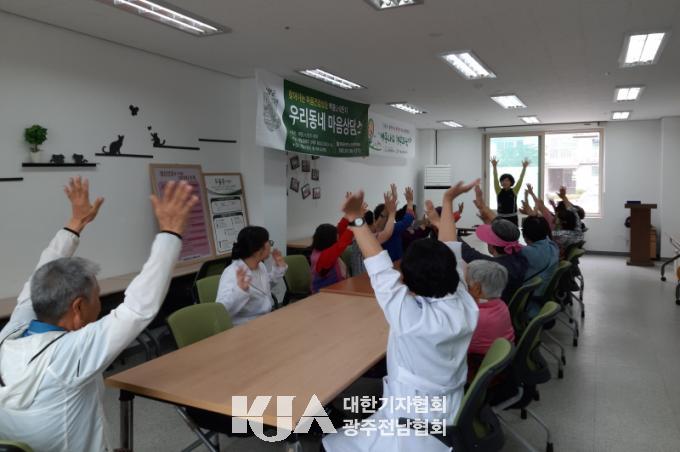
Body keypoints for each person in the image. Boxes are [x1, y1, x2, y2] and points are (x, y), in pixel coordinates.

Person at [0, 176, 198, 452]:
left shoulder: (11, 334)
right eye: (97, 296)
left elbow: (42, 271)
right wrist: (170, 234)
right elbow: (137, 308)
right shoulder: (67, 357)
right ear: (78, 307)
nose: (101, 303)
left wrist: (76, 223)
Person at [322, 181, 479, 452]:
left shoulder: (411, 320)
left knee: (330, 445)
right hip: (449, 410)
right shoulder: (463, 301)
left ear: (409, 283)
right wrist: (448, 201)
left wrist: (356, 219)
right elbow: (450, 248)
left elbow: (379, 268)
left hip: (411, 427)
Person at [460, 184, 528, 304]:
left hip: (501, 308)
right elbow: (502, 224)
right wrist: (483, 206)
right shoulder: (520, 255)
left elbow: (466, 251)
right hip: (509, 306)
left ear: (491, 246)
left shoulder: (496, 267)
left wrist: (440, 223)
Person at [216, 226, 287, 324]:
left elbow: (265, 287)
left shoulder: (260, 265)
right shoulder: (232, 273)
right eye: (269, 242)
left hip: (265, 319)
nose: (271, 245)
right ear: (258, 249)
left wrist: (278, 269)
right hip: (244, 325)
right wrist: (240, 292)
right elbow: (222, 310)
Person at [465, 260, 515, 381]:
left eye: (466, 284)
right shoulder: (501, 305)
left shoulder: (476, 317)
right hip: (498, 363)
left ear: (477, 289)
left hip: (477, 368)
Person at [349, 191, 397, 277]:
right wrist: (392, 213)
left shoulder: (358, 235)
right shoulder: (363, 239)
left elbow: (380, 229)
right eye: (375, 220)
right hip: (363, 279)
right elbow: (386, 234)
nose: (377, 223)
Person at [373, 184, 415, 261]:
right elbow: (408, 219)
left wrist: (408, 202)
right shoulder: (393, 229)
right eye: (382, 216)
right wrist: (410, 202)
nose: (388, 218)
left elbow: (408, 219)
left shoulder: (394, 228)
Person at [491, 156, 529, 226]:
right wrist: (494, 167)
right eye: (503, 181)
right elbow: (495, 178)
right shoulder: (498, 190)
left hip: (512, 218)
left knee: (513, 233)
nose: (505, 182)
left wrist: (524, 168)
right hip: (500, 218)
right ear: (501, 182)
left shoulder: (515, 190)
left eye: (507, 180)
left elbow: (520, 179)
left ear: (511, 182)